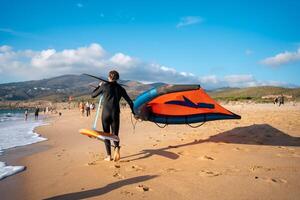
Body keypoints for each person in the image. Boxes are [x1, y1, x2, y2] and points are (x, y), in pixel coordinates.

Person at [92, 70, 134, 161]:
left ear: (109, 77)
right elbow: (130, 101)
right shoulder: (120, 88)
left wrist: (98, 86)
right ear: (117, 78)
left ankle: (108, 156)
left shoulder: (104, 86)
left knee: (106, 134)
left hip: (105, 114)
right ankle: (117, 148)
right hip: (115, 113)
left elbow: (93, 95)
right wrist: (135, 113)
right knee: (115, 135)